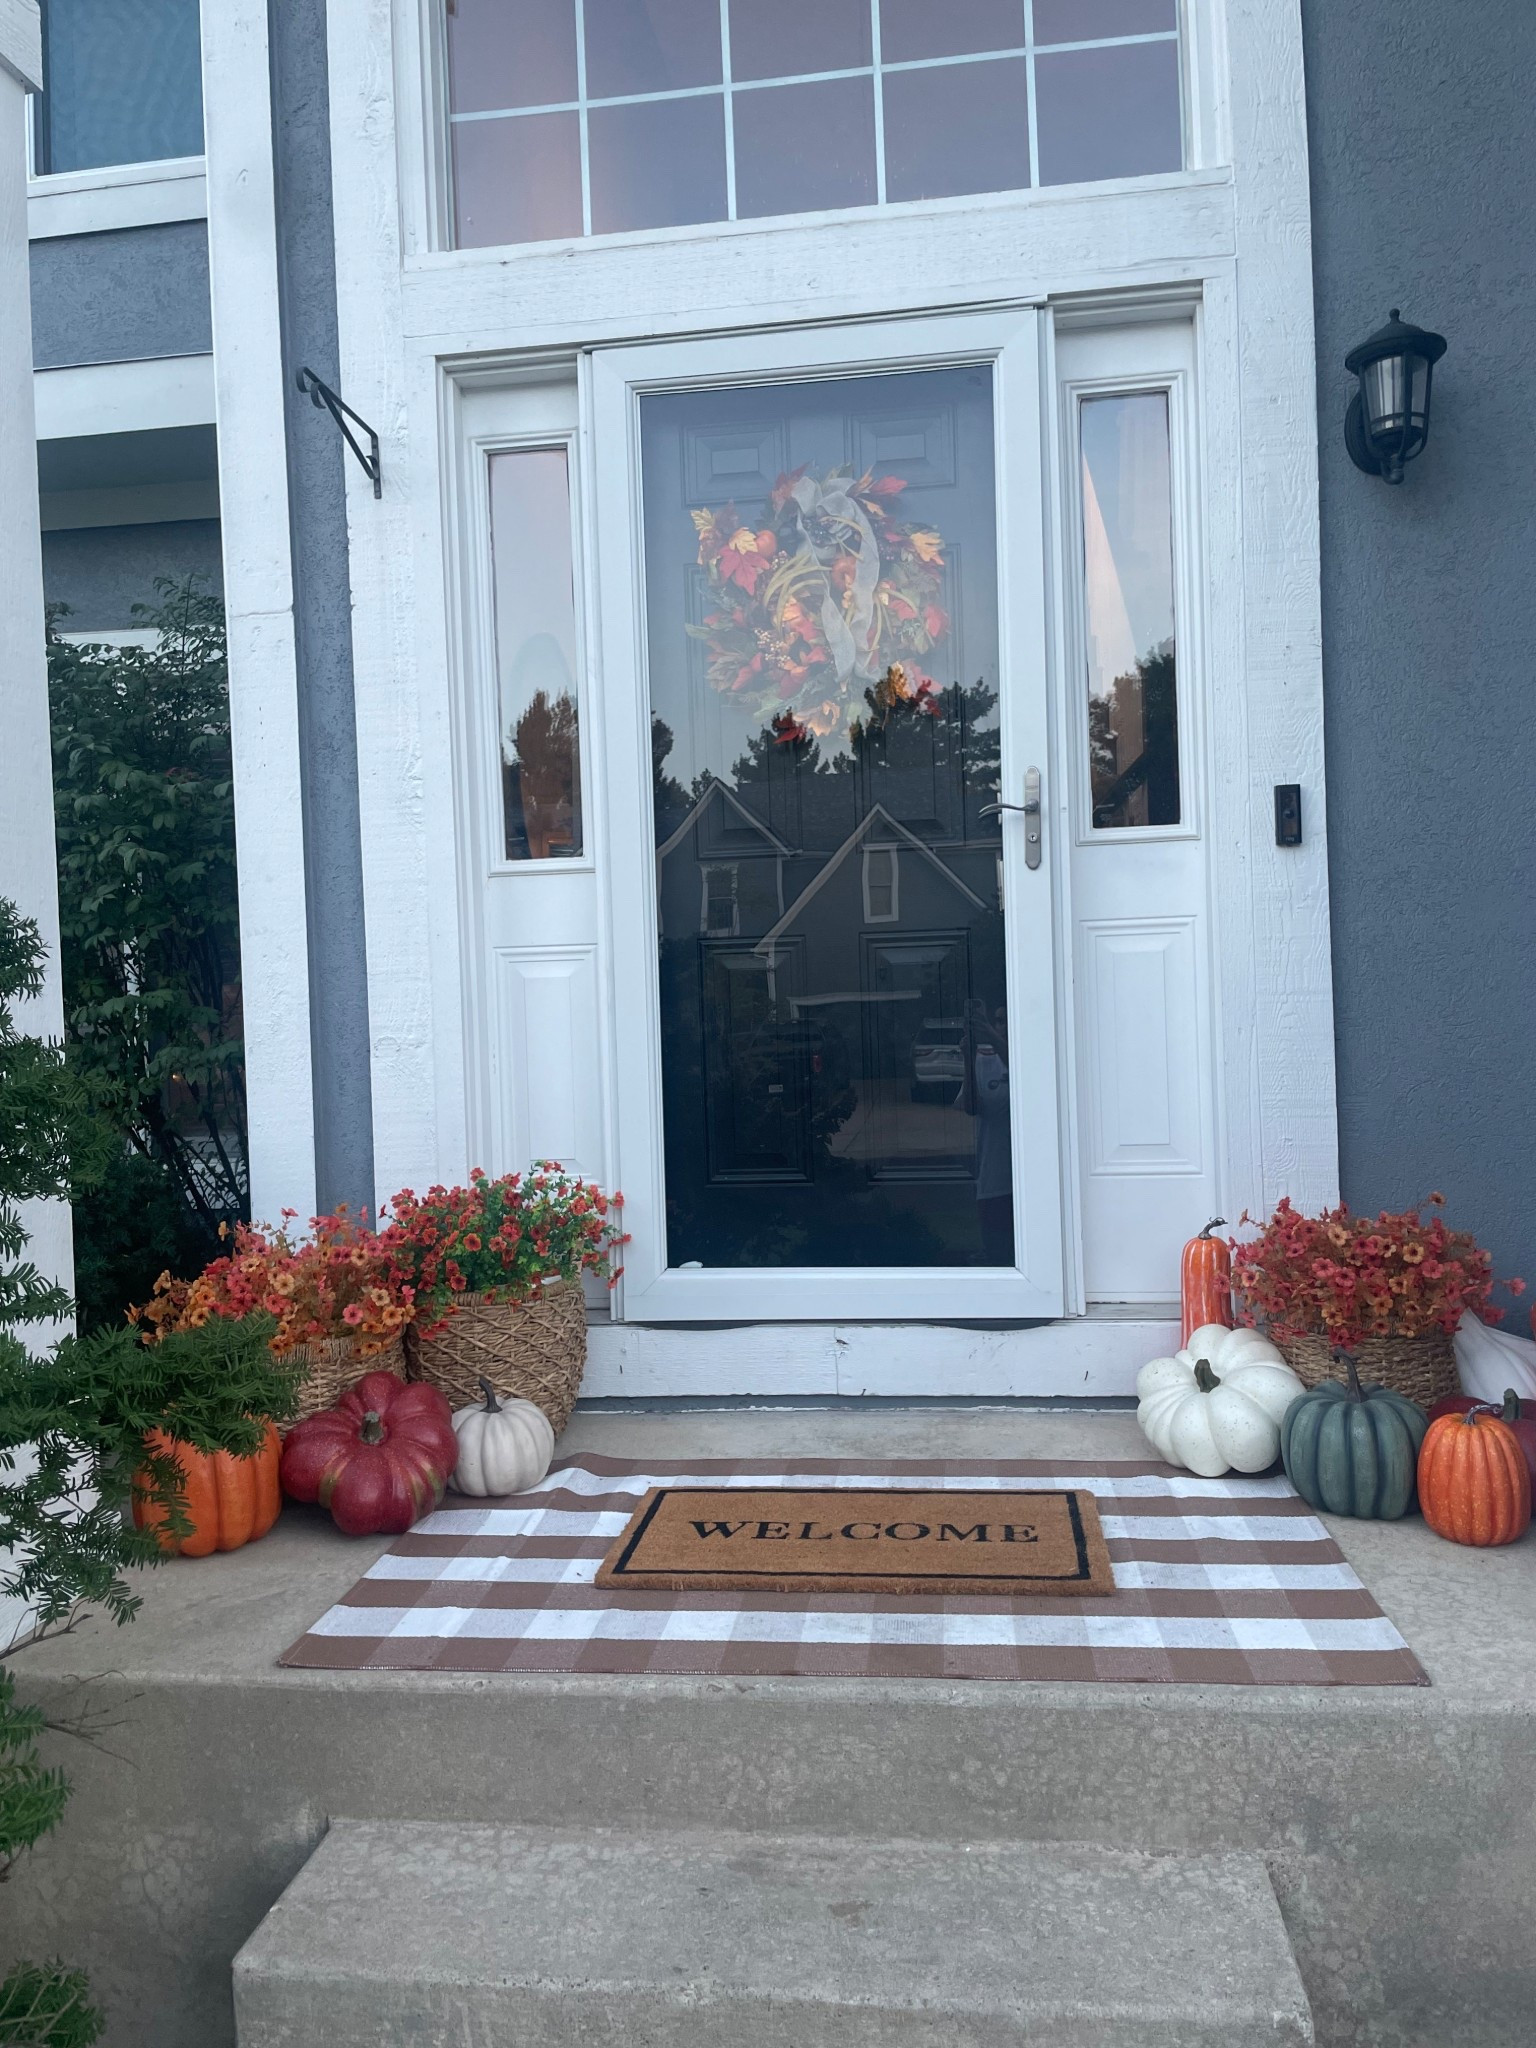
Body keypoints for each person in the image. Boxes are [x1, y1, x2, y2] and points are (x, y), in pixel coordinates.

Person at [969, 1001, 1015, 1266]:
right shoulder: (984, 1061)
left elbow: (1024, 1073)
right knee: (997, 1254)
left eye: (1008, 1019)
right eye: (998, 1021)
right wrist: (967, 1059)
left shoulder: (1036, 1055)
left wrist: (991, 1034)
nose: (1002, 1026)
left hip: (1034, 1179)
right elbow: (971, 1108)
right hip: (994, 1172)